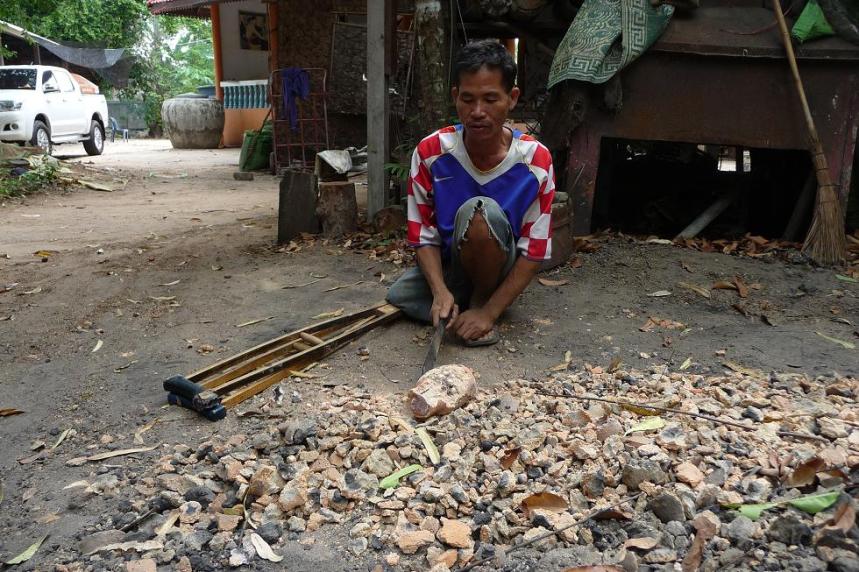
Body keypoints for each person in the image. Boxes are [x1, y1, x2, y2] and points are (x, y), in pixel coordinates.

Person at [386, 39, 555, 346]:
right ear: (455, 97)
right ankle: (455, 303)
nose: (477, 112)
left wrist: (489, 312)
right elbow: (422, 234)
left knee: (480, 211)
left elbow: (534, 251)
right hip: (455, 262)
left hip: (500, 265)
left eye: (491, 99)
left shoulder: (535, 159)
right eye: (468, 99)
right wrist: (438, 291)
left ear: (512, 98)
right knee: (399, 295)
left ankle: (481, 304)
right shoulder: (431, 151)